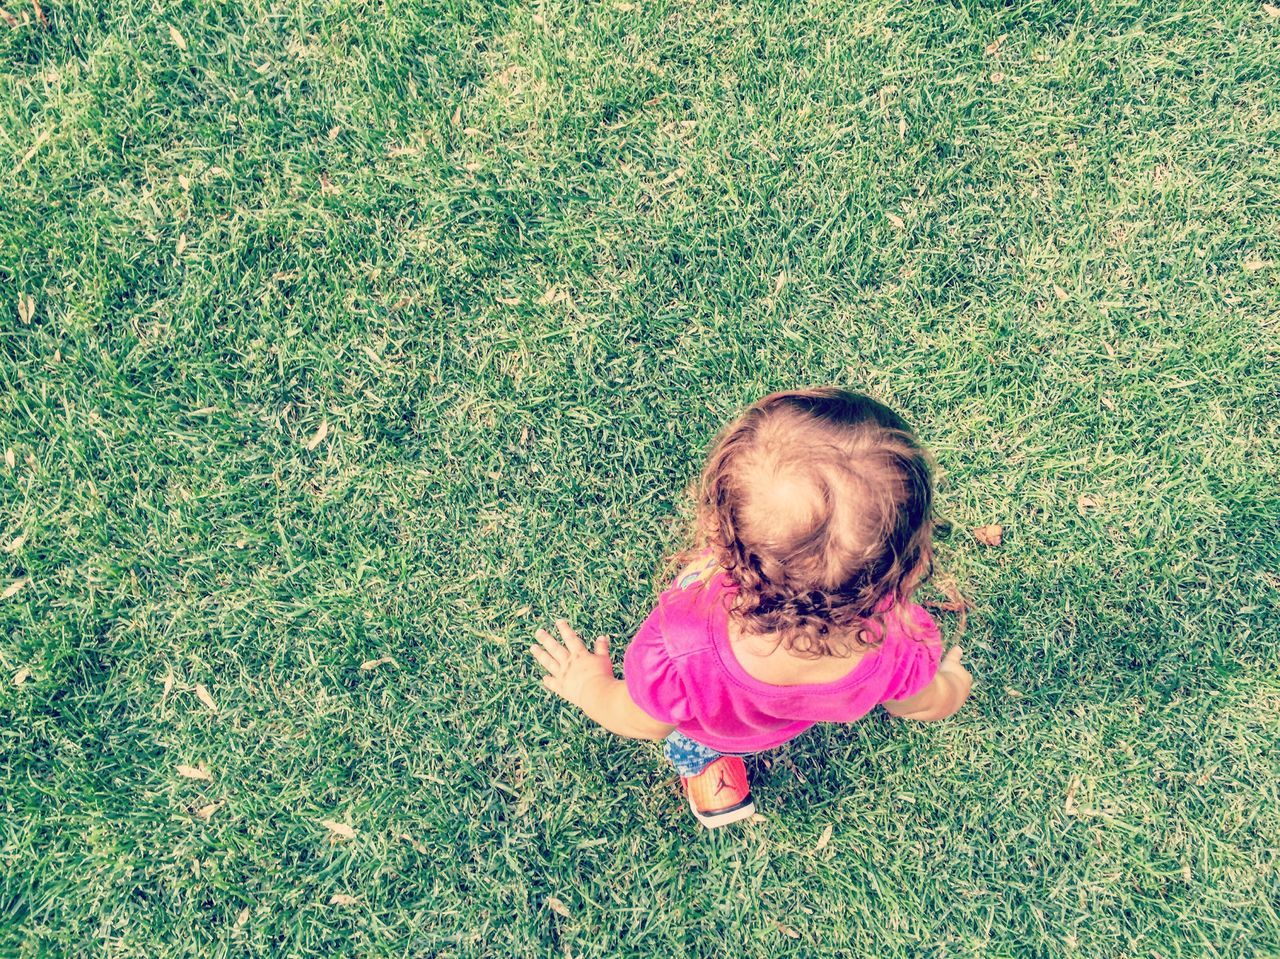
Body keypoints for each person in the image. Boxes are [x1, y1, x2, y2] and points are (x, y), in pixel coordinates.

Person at [528, 388, 973, 828]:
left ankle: (705, 766)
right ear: (909, 564)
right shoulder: (899, 642)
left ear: (718, 532)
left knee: (694, 743)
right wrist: (952, 685)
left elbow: (644, 721)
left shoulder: (681, 651)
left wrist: (589, 686)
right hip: (785, 728)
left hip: (715, 730)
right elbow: (917, 703)